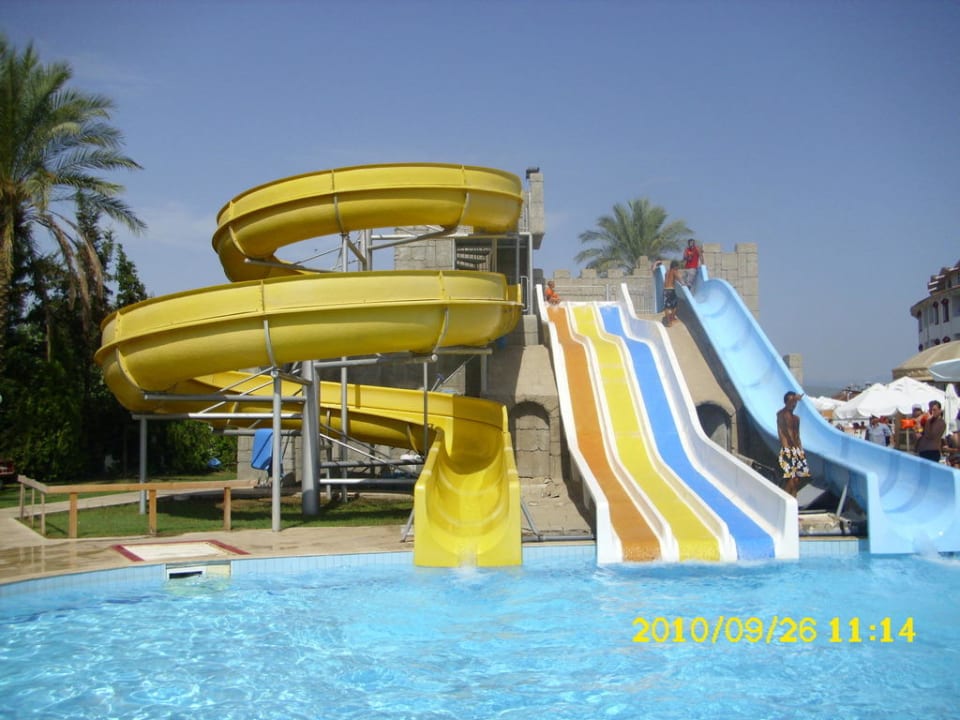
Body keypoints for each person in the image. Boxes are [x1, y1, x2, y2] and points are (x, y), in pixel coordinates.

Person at [777, 390, 811, 496]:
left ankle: (794, 500)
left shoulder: (796, 419)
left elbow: (797, 436)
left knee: (797, 480)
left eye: (795, 402)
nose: (794, 404)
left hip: (796, 451)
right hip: (787, 449)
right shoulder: (781, 414)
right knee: (791, 479)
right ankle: (785, 500)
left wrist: (801, 451)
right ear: (786, 402)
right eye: (792, 401)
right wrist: (794, 398)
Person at [662, 260, 681, 326]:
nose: (678, 268)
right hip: (671, 289)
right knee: (674, 305)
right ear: (675, 266)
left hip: (665, 290)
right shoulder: (674, 271)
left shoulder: (666, 272)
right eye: (677, 267)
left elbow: (665, 280)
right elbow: (679, 278)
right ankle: (672, 318)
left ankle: (669, 322)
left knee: (666, 307)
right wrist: (683, 283)